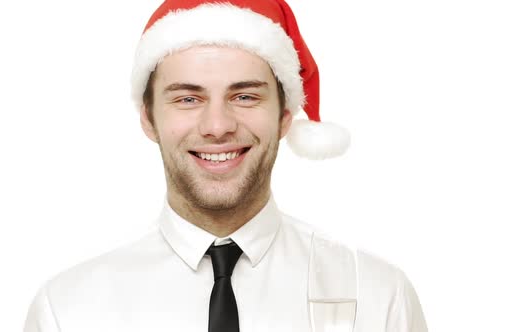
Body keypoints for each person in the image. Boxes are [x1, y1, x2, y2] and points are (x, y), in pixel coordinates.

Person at [23, 0, 427, 331]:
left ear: (286, 114)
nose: (217, 126)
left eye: (245, 97)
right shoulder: (68, 311)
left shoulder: (378, 297)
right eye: (187, 98)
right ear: (148, 118)